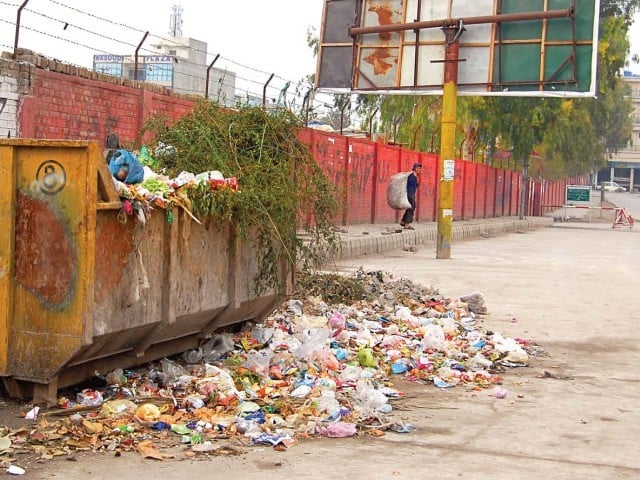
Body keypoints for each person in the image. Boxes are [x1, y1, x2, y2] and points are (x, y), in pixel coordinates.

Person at [401, 163, 422, 229]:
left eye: (420, 168)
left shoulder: (415, 176)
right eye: (418, 168)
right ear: (414, 168)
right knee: (411, 207)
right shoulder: (411, 175)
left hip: (412, 194)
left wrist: (417, 182)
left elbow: (415, 186)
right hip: (409, 194)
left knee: (410, 207)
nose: (419, 169)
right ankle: (406, 224)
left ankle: (403, 221)